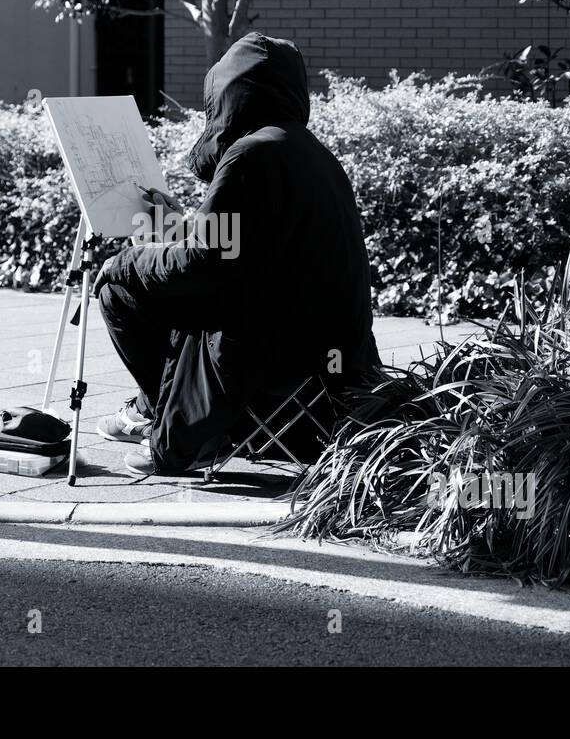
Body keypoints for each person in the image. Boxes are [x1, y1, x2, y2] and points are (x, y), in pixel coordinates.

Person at [93, 32, 379, 476]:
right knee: (161, 283)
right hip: (328, 351)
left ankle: (190, 431)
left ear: (229, 95)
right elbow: (247, 248)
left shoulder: (250, 155)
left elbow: (205, 264)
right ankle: (157, 408)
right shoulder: (307, 150)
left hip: (273, 354)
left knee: (118, 287)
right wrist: (171, 229)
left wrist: (126, 260)